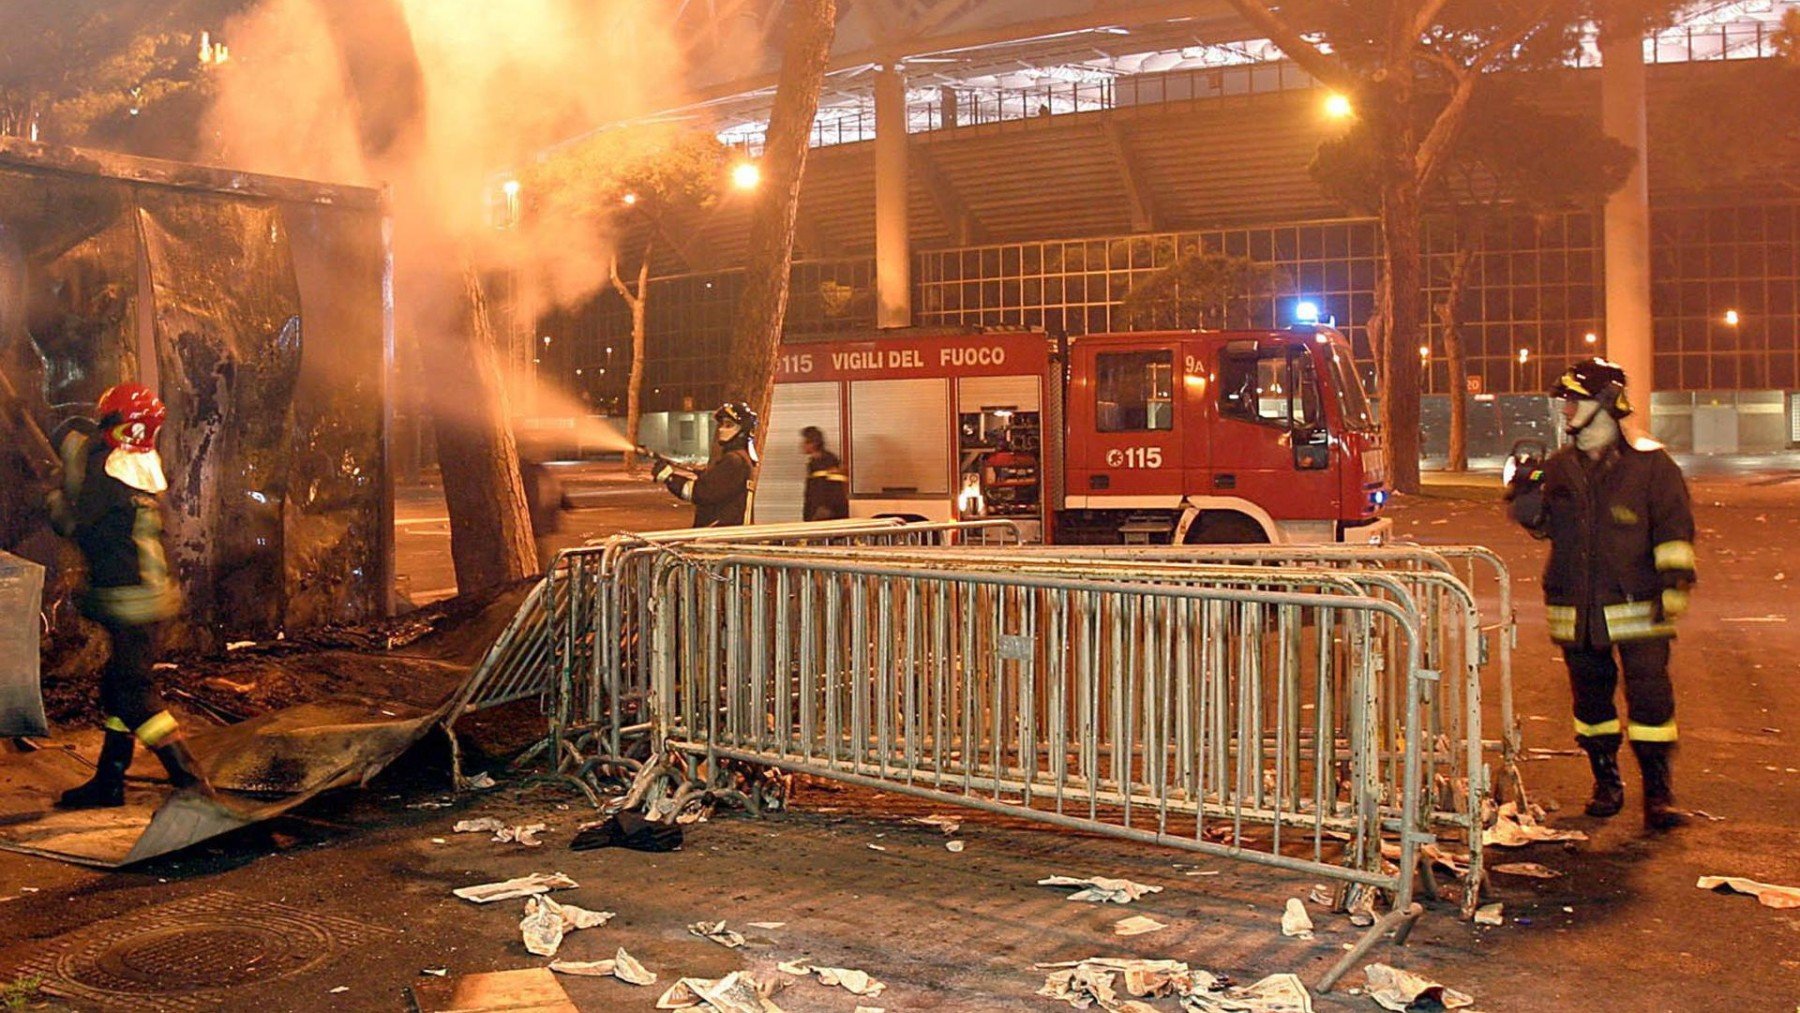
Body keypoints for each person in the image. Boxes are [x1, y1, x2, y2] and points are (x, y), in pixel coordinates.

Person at [1506, 358, 1694, 830]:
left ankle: (1658, 793)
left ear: (1607, 404)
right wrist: (1524, 495)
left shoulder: (1652, 467)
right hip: (1576, 607)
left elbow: (1674, 528)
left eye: (1576, 400)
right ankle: (1606, 781)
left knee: (1651, 703)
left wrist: (1673, 582)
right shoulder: (1558, 468)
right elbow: (1539, 525)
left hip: (1639, 604)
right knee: (1591, 705)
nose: (1566, 409)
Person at [45, 383, 213, 808]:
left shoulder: (106, 474)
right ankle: (110, 780)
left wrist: (51, 497)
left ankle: (193, 785)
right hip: (149, 599)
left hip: (130, 602)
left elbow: (73, 525)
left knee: (134, 696)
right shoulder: (140, 465)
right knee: (118, 687)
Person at [649, 401, 759, 527]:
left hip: (719, 538)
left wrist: (669, 478)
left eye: (729, 425)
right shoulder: (742, 458)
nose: (721, 429)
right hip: (727, 534)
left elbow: (701, 493)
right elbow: (719, 487)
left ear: (743, 431)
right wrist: (707, 475)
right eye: (722, 425)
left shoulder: (734, 461)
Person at [799, 426, 849, 521]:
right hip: (818, 514)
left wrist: (821, 511)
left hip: (826, 516)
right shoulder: (814, 463)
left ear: (814, 443)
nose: (802, 445)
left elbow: (832, 491)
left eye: (805, 442)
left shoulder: (827, 461)